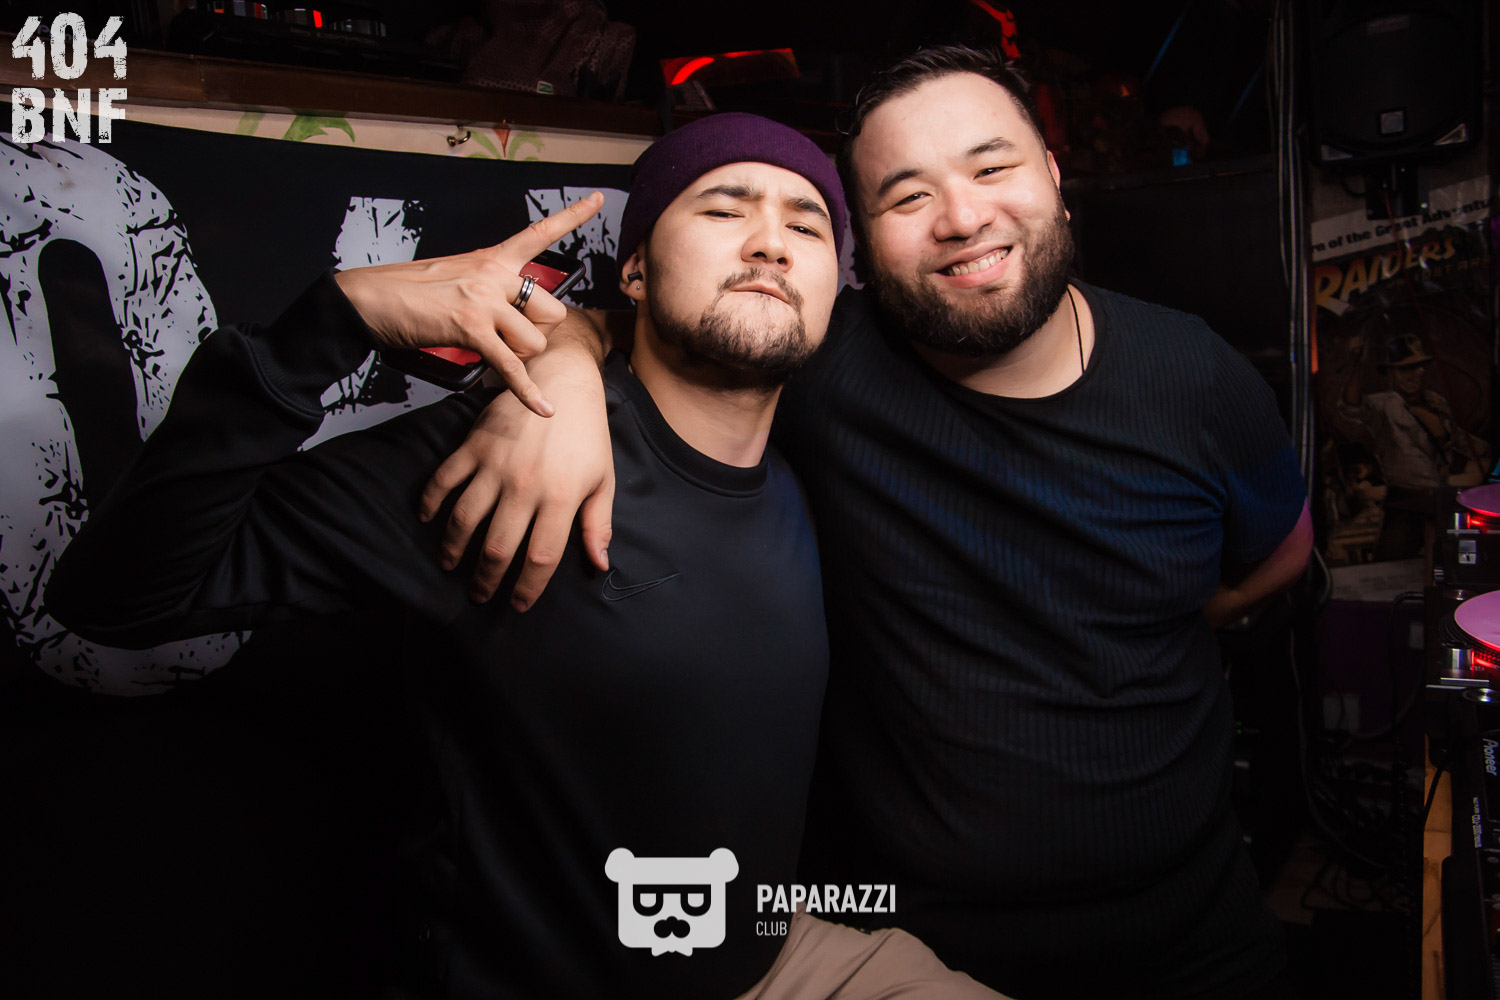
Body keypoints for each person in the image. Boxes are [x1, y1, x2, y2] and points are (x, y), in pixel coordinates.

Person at [44, 114, 1003, 1000]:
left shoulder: (816, 445)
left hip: (775, 956)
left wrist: (570, 347)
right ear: (634, 271)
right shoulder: (511, 458)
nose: (770, 243)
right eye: (724, 209)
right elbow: (117, 598)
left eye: (805, 225)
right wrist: (331, 321)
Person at [428, 47, 1315, 1000]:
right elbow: (664, 321)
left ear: (1055, 178)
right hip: (910, 937)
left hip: (1191, 936)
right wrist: (559, 373)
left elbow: (1280, 557)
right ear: (863, 245)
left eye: (992, 167)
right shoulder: (825, 361)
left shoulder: (1195, 376)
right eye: (907, 196)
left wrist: (1130, 634)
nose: (962, 218)